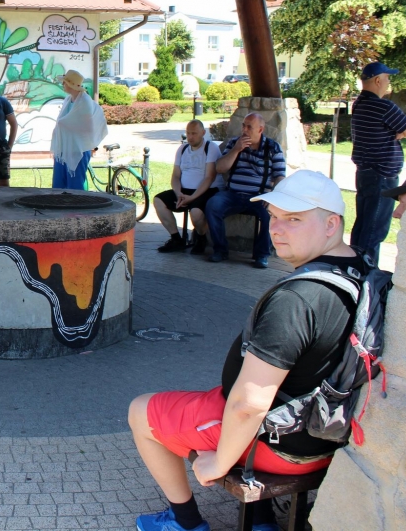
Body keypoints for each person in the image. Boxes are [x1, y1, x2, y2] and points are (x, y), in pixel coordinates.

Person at [128, 171, 360, 531]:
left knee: (141, 411)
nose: (276, 229)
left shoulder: (298, 299)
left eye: (294, 219)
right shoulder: (365, 272)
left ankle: (184, 522)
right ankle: (260, 519)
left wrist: (218, 463)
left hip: (281, 442)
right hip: (329, 429)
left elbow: (249, 404)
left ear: (332, 224)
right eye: (274, 216)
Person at [349, 61, 406, 265]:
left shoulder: (359, 103)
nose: (389, 82)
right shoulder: (383, 106)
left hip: (365, 172)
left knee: (363, 225)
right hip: (381, 175)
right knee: (374, 230)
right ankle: (365, 272)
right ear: (378, 80)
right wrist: (400, 133)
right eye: (387, 78)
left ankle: (353, 267)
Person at [206, 113, 286, 268]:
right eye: (243, 125)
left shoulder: (272, 147)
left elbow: (280, 177)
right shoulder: (234, 143)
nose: (244, 130)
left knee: (271, 213)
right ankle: (220, 250)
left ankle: (262, 255)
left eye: (249, 127)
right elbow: (220, 168)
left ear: (260, 129)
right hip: (233, 194)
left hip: (259, 197)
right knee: (213, 204)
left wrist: (272, 197)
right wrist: (236, 150)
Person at [154, 120, 223, 254]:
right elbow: (175, 176)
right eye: (188, 133)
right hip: (184, 191)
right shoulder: (182, 149)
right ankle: (176, 239)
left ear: (203, 133)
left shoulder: (211, 148)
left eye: (194, 133)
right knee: (158, 200)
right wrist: (178, 193)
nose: (190, 137)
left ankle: (201, 238)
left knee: (196, 213)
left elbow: (209, 177)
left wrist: (192, 198)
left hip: (207, 190)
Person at [51, 70, 108, 190]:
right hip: (63, 149)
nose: (63, 84)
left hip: (79, 150)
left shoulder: (85, 102)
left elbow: (86, 127)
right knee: (59, 185)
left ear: (71, 85)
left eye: (65, 82)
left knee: (75, 186)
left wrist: (66, 125)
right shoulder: (68, 100)